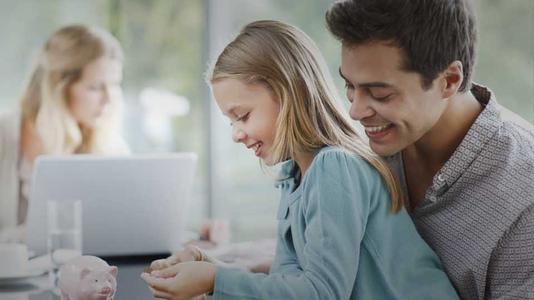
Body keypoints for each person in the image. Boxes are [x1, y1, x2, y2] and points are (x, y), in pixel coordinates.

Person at [141, 20, 458, 299]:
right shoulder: (295, 177)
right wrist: (207, 266)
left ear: (288, 93)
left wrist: (215, 281)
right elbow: (291, 283)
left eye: (243, 116)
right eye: (230, 122)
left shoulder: (336, 167)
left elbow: (321, 294)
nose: (236, 134)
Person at [325, 0, 534, 299]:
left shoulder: (525, 198)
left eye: (380, 94)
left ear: (449, 80)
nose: (355, 112)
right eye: (349, 86)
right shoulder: (368, 149)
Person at [0, 24, 128, 243]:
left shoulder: (108, 144)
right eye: (96, 87)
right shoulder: (5, 135)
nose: (109, 99)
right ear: (59, 86)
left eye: (114, 85)